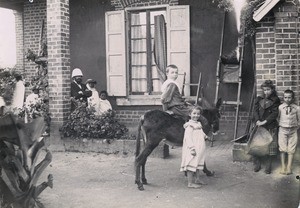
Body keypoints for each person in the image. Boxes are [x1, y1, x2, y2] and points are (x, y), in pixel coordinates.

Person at [161, 64, 214, 177]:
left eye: (176, 72)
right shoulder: (171, 84)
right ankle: (200, 135)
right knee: (201, 117)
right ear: (167, 74)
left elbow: (175, 98)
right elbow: (165, 98)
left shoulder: (172, 84)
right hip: (177, 107)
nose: (175, 74)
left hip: (179, 105)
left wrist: (186, 102)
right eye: (172, 72)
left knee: (193, 108)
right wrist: (166, 111)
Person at [253, 80, 280, 174]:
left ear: (272, 90)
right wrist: (257, 120)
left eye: (268, 90)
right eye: (264, 90)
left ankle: (268, 165)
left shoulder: (275, 100)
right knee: (257, 145)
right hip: (259, 125)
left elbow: (274, 113)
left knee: (270, 146)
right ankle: (257, 163)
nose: (266, 92)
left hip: (270, 126)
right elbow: (255, 111)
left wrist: (265, 121)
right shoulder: (259, 99)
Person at [180, 106, 207, 188]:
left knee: (197, 163)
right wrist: (192, 148)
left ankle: (197, 179)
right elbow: (187, 138)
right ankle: (190, 183)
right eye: (194, 113)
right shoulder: (189, 126)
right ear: (189, 114)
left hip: (199, 147)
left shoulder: (198, 124)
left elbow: (201, 132)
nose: (196, 115)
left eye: (198, 114)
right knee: (191, 163)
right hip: (193, 148)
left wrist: (205, 136)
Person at [278, 89, 300, 175]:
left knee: (291, 149)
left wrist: (296, 127)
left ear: (293, 98)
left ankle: (289, 167)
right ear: (283, 98)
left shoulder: (297, 108)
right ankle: (283, 166)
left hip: (293, 130)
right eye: (285, 97)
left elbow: (299, 120)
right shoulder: (280, 107)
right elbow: (278, 117)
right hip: (283, 129)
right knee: (282, 148)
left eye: (289, 97)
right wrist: (281, 125)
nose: (287, 99)